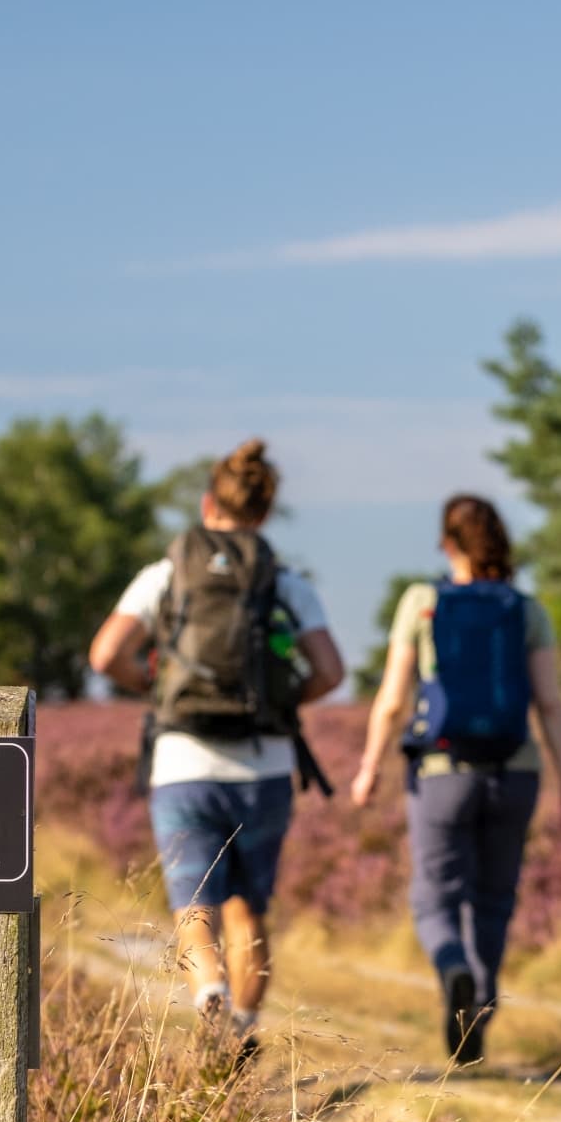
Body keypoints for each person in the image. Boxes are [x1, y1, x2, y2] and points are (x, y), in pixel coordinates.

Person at [90, 440, 345, 1045]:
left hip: (183, 763)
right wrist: (279, 703)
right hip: (265, 767)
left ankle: (209, 993)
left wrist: (156, 688)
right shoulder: (284, 582)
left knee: (193, 902)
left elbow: (105, 655)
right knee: (248, 907)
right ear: (263, 513)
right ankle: (245, 1024)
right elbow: (331, 673)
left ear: (208, 505)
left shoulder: (166, 573)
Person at [347, 496, 561, 1066]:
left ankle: (453, 967)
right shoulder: (527, 609)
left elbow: (392, 700)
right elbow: (551, 704)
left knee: (434, 899)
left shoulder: (423, 602)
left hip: (441, 772)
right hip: (516, 771)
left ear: (446, 543)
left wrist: (367, 768)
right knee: (494, 899)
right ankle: (479, 1003)